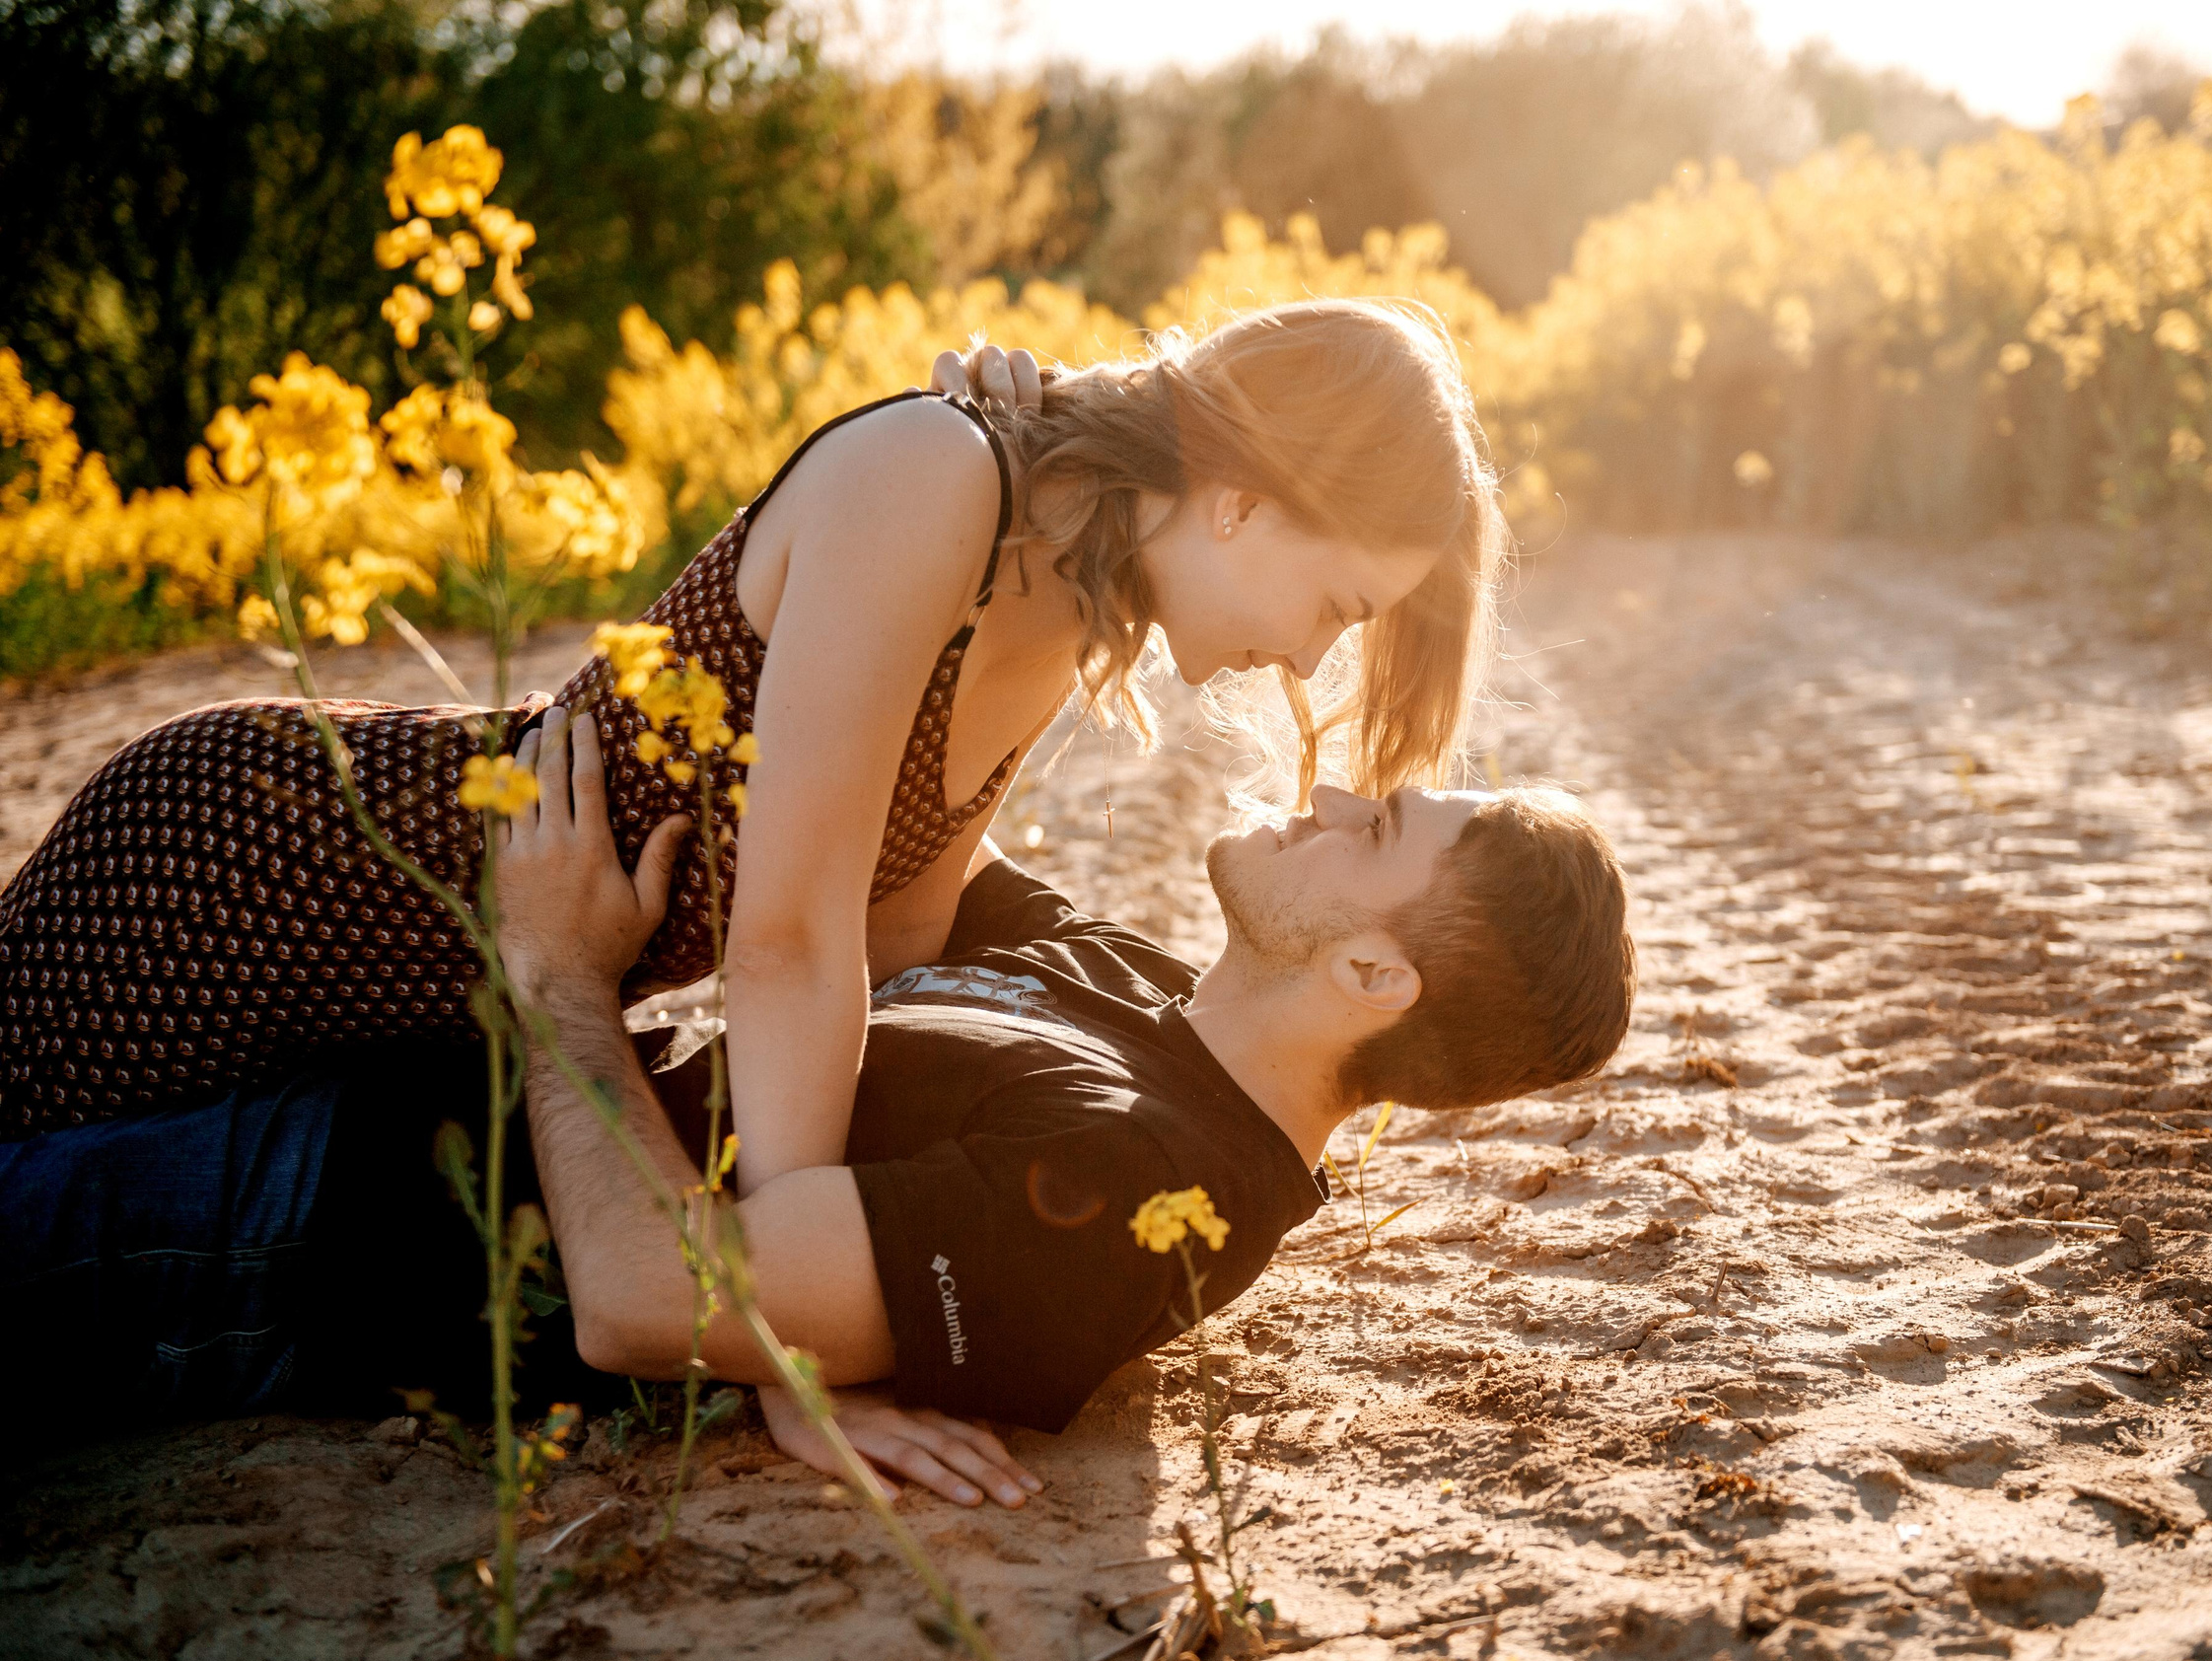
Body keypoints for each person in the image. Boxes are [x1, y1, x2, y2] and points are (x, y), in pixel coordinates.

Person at [0, 304, 1507, 1250]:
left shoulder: (1069, 606)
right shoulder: (944, 484)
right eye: (1337, 614)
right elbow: (787, 941)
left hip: (429, 1002)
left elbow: (899, 936)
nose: (1311, 670)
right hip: (254, 878)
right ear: (1244, 503)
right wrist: (781, 1323)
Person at [0, 707, 1632, 1508]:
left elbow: (652, 1301)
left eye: (1382, 822)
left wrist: (558, 977)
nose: (1334, 788)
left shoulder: (1139, 1196)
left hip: (297, 1235)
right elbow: (925, 824)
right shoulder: (1138, 990)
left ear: (1371, 976)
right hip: (355, 1077)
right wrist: (1026, 491)